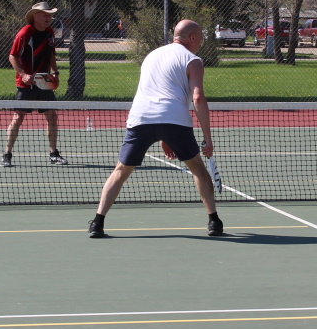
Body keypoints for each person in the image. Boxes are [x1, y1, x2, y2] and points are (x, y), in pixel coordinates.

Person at [88, 19, 222, 238]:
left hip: (140, 116)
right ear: (192, 38)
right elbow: (197, 97)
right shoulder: (193, 60)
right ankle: (214, 221)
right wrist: (207, 137)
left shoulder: (151, 56)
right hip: (174, 118)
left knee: (121, 171)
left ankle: (97, 222)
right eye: (200, 38)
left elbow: (157, 91)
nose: (201, 43)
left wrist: (162, 136)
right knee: (197, 168)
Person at [1, 2, 67, 167]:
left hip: (44, 82)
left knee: (52, 116)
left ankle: (54, 153)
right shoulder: (25, 33)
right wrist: (23, 75)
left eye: (50, 15)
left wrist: (55, 73)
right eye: (45, 15)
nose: (49, 18)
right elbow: (12, 56)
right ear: (35, 16)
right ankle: (7, 154)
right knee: (18, 117)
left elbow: (52, 54)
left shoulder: (50, 32)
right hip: (26, 84)